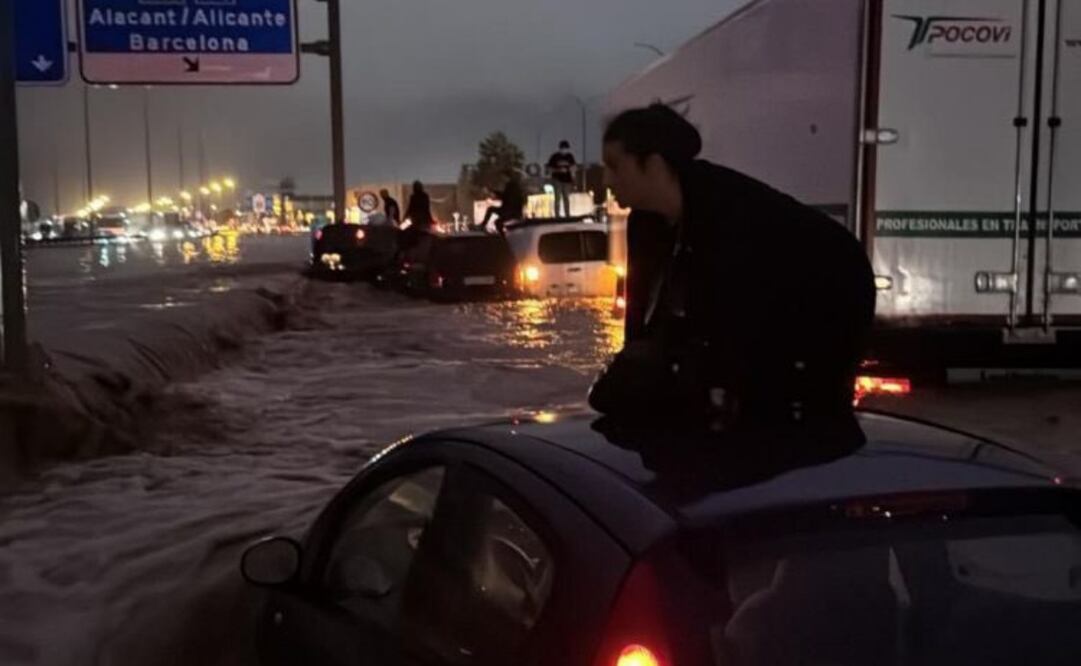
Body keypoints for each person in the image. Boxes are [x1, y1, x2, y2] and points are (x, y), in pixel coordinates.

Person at [589, 103, 876, 434]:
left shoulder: (730, 214)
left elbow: (730, 328)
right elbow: (641, 324)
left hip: (831, 304)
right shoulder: (645, 222)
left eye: (614, 166)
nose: (607, 179)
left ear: (653, 165)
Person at [546, 140, 577, 218]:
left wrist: (572, 175)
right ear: (560, 148)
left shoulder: (570, 156)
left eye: (566, 148)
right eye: (563, 148)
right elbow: (549, 168)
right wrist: (558, 170)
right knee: (557, 197)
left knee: (566, 198)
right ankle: (557, 215)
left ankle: (567, 214)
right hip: (557, 180)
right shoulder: (555, 157)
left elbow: (574, 167)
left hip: (567, 180)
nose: (564, 150)